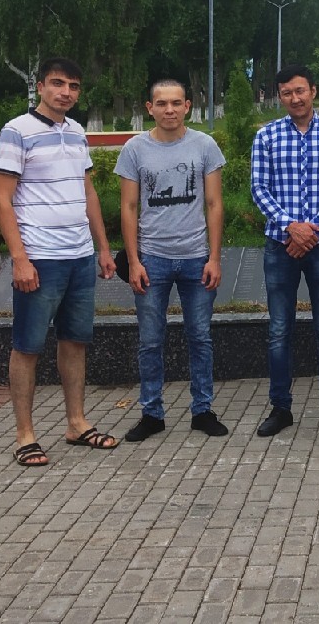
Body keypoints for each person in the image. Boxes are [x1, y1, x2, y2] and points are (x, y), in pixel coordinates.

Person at [0, 57, 119, 467]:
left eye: (74, 86)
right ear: (41, 86)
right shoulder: (17, 131)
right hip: (40, 257)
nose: (66, 92)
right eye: (58, 83)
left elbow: (88, 192)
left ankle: (76, 423)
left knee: (75, 341)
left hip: (79, 255)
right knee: (28, 346)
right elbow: (1, 198)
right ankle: (25, 435)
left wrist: (102, 247)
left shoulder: (77, 132)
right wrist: (20, 259)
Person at [114, 78, 229, 441]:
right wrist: (134, 261)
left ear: (187, 106)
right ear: (149, 108)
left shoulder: (205, 145)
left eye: (176, 103)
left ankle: (203, 410)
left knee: (200, 337)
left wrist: (214, 257)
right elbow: (129, 207)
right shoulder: (134, 149)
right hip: (153, 259)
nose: (169, 110)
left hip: (196, 258)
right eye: (161, 103)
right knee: (150, 340)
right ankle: (152, 414)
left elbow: (214, 204)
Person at [250, 65, 319, 438]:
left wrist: (312, 229)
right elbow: (259, 188)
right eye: (287, 93)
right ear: (280, 96)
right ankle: (281, 408)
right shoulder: (266, 136)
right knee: (279, 329)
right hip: (280, 245)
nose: (295, 98)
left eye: (300, 91)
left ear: (313, 90)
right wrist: (290, 227)